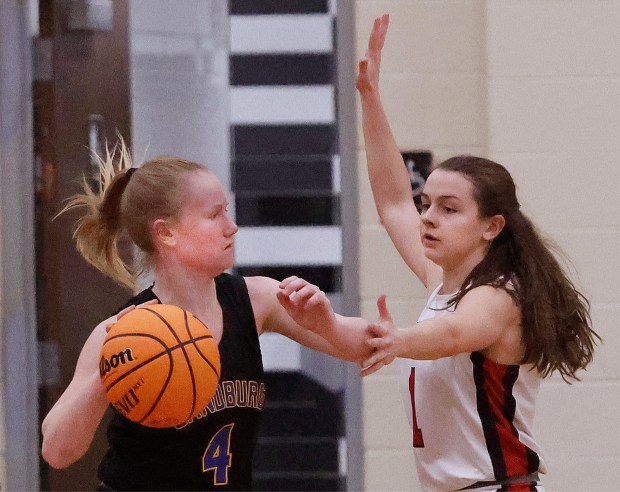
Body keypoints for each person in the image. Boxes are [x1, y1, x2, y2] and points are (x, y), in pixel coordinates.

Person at [355, 14, 600, 492]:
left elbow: (455, 333)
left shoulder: (500, 295)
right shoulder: (442, 279)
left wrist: (400, 340)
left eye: (449, 209)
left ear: (492, 226)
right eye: (428, 205)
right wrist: (370, 99)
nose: (427, 217)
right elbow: (390, 201)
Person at [40, 145, 372, 491]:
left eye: (227, 212)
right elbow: (57, 451)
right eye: (215, 215)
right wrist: (108, 374)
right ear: (166, 232)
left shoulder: (256, 299)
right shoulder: (125, 332)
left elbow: (367, 346)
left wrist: (326, 322)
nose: (232, 228)